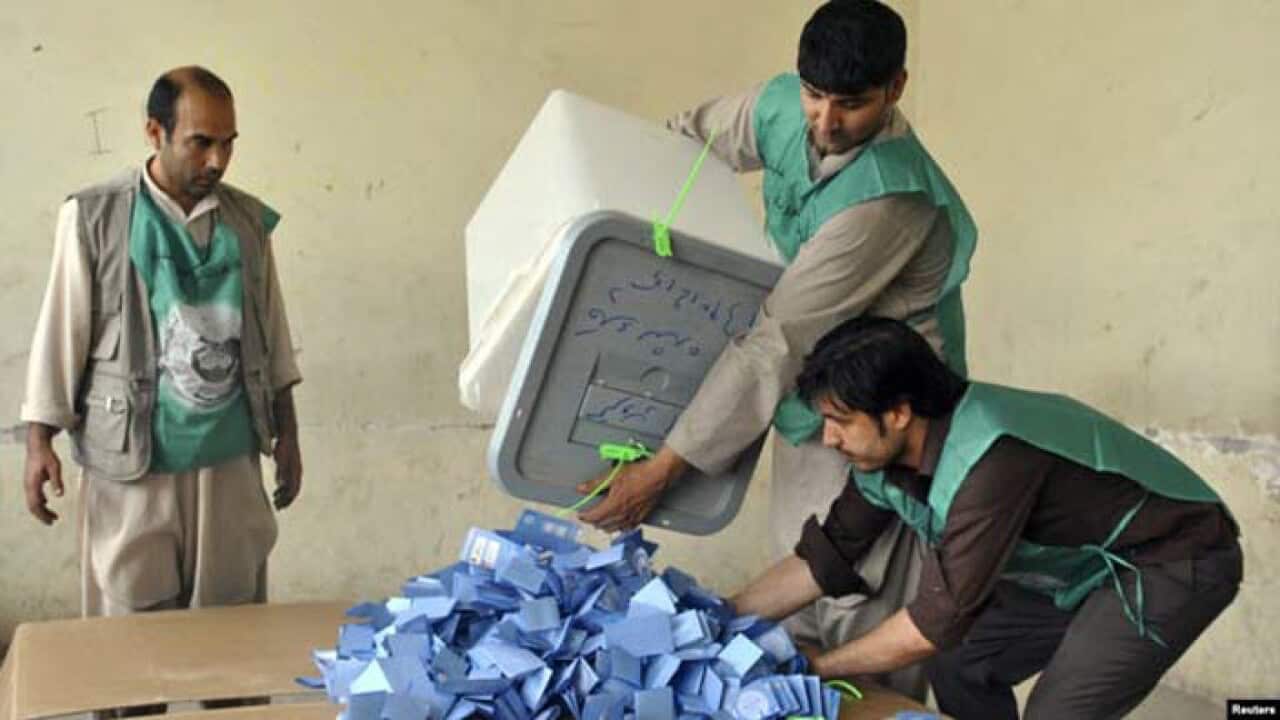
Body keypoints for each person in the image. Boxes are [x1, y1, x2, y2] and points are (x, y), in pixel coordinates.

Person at [575, 0, 977, 698]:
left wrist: (665, 465)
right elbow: (680, 147)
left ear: (897, 88)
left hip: (888, 423)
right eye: (815, 96)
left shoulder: (887, 199)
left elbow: (779, 338)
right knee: (798, 585)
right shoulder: (779, 105)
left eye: (852, 103)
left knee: (860, 614)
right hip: (814, 400)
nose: (825, 122)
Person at [731, 316, 1241, 719]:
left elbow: (934, 622)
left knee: (1060, 713)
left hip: (1170, 559)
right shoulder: (885, 458)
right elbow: (828, 554)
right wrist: (720, 617)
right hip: (1076, 571)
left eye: (841, 422)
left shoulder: (991, 461)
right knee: (961, 664)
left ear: (898, 413)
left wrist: (817, 667)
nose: (828, 439)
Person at [20, 65, 302, 649]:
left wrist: (289, 434)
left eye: (228, 144)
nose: (218, 161)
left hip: (229, 461)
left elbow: (272, 330)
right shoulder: (95, 217)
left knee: (230, 636)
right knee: (129, 638)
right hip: (132, 464)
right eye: (201, 142)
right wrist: (38, 441)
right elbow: (61, 331)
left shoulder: (248, 222)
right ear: (155, 131)